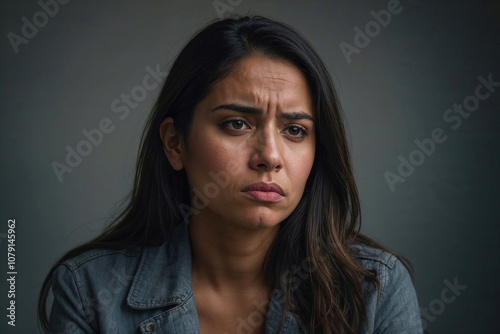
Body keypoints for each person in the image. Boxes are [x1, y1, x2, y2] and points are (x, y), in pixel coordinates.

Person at [38, 15, 423, 333]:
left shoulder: (375, 290)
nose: (270, 156)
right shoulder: (90, 291)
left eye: (294, 131)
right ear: (175, 143)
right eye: (237, 124)